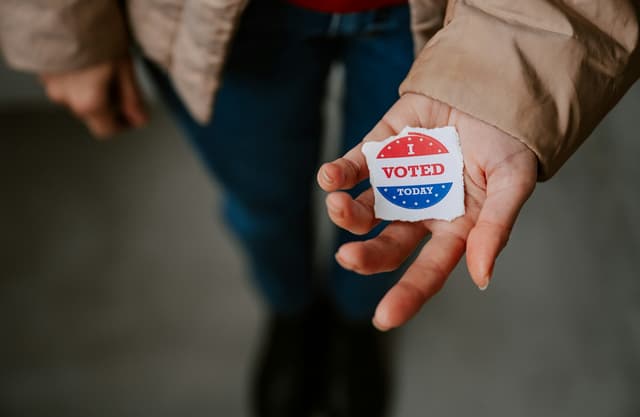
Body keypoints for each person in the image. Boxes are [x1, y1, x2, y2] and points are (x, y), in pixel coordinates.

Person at [1, 1, 638, 416]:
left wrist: (516, 56)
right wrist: (61, 31)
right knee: (262, 201)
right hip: (201, 12)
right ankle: (290, 310)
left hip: (461, 10)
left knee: (395, 221)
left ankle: (354, 322)